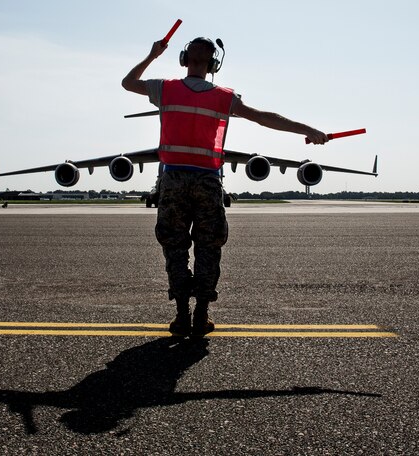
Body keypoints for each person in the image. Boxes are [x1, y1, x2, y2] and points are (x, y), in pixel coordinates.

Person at [122, 36, 329, 337]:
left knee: (175, 248)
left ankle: (181, 316)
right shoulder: (223, 97)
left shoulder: (165, 89)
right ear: (214, 64)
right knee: (208, 248)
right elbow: (262, 118)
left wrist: (152, 55)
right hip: (208, 181)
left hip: (173, 181)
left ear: (183, 59)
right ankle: (201, 314)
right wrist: (308, 130)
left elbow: (128, 82)